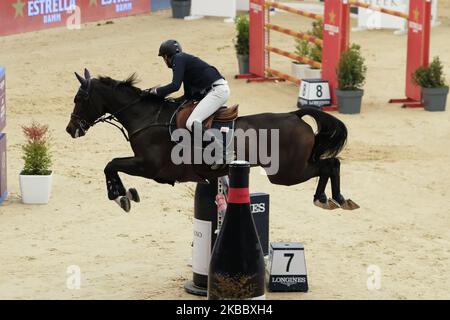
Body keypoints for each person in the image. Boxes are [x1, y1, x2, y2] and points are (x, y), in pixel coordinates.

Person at [145, 40, 232, 168]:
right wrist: (173, 100)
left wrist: (154, 92)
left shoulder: (178, 59)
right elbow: (189, 96)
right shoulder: (183, 61)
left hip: (217, 91)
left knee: (192, 122)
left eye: (163, 58)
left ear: (166, 56)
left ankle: (222, 152)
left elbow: (175, 86)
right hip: (215, 90)